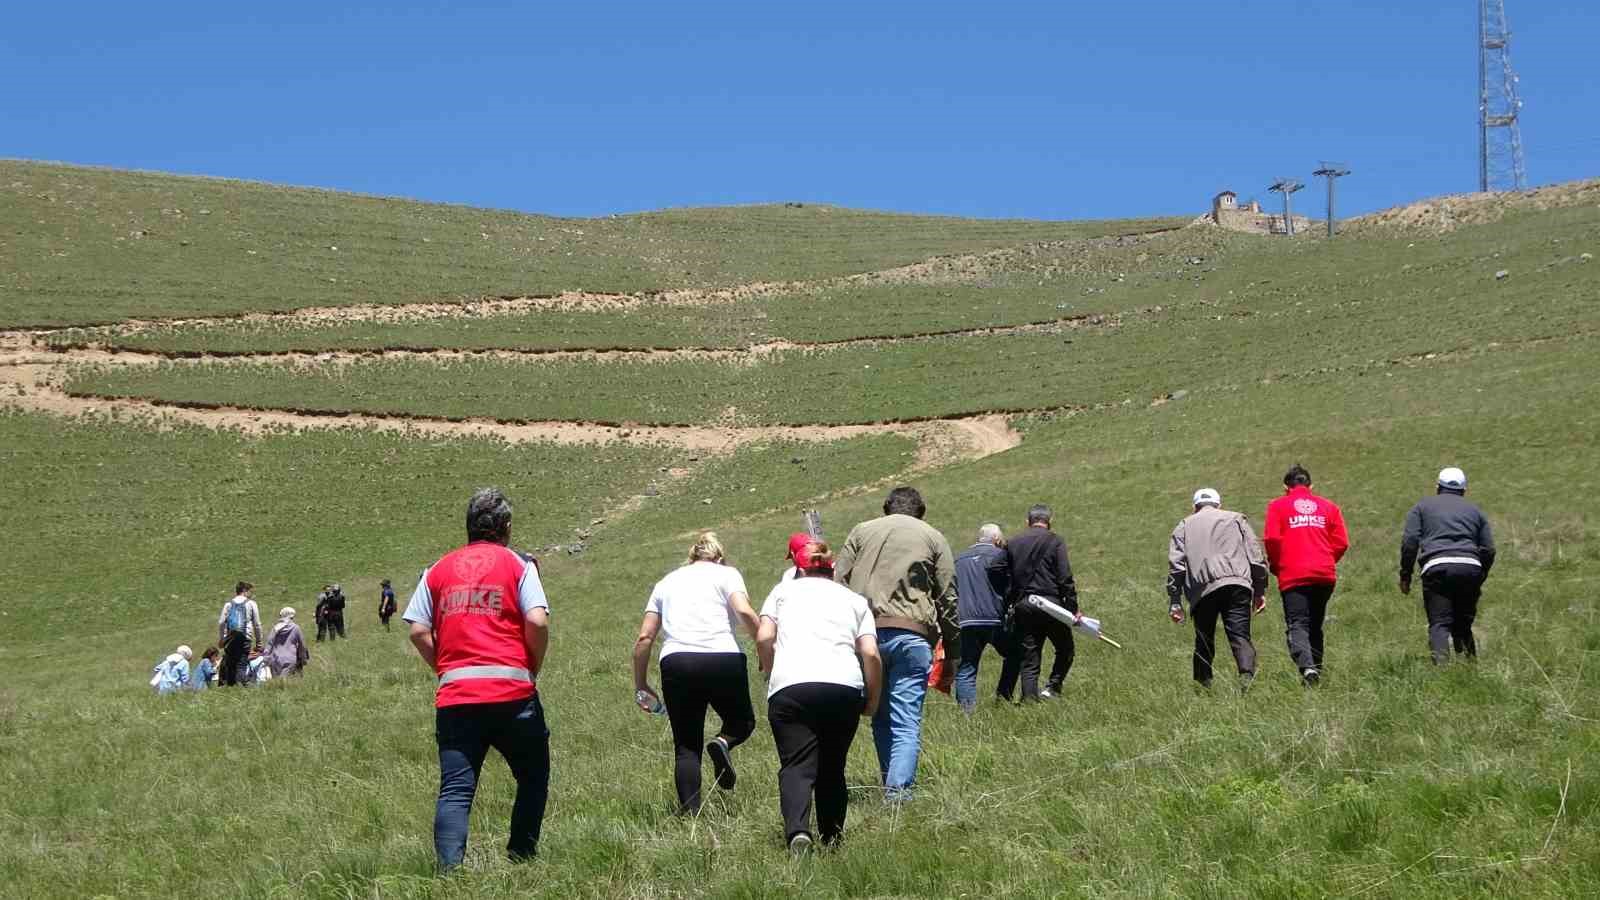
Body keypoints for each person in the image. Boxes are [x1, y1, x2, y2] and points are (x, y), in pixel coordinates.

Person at [404, 487, 551, 869]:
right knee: (532, 776)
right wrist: (531, 666)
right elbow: (536, 619)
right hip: (513, 693)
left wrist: (446, 668)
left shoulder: (436, 569)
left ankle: (449, 873)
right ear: (506, 526)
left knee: (455, 790)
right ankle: (521, 855)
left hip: (457, 697)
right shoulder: (519, 565)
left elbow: (418, 630)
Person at [834, 486, 959, 801]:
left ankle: (890, 783)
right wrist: (953, 649)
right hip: (911, 635)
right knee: (905, 720)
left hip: (865, 637)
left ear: (886, 508)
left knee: (878, 714)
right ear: (921, 511)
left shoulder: (861, 531)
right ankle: (898, 794)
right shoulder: (933, 537)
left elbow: (837, 579)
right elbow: (948, 597)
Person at [757, 540, 882, 853]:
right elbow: (870, 652)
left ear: (799, 567)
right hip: (843, 686)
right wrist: (873, 698)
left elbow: (764, 635)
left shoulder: (782, 592)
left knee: (796, 765)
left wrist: (770, 671)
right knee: (832, 767)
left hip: (791, 685)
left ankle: (798, 832)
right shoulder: (854, 600)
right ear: (833, 568)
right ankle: (833, 839)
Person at [631, 531, 760, 814]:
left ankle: (690, 816)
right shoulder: (727, 574)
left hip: (678, 662)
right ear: (719, 556)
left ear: (691, 556)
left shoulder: (666, 582)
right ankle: (723, 742)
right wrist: (765, 649)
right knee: (742, 722)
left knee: (686, 746)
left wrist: (641, 684)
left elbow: (645, 637)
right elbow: (745, 612)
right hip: (723, 657)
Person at [1167, 489, 1269, 688]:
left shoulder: (1184, 526)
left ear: (1194, 507)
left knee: (1204, 639)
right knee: (1239, 634)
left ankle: (1203, 685)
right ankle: (1246, 675)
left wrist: (1174, 601)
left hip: (1201, 589)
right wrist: (1259, 589)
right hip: (1237, 584)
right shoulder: (1237, 519)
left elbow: (1176, 566)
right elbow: (1255, 555)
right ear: (1219, 504)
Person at [1264, 464, 1349, 685]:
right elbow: (1342, 542)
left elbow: (1272, 539)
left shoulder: (1277, 506)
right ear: (1311, 486)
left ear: (1286, 487)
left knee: (1298, 624)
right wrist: (1328, 560)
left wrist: (1276, 564)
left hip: (1293, 575)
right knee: (1315, 625)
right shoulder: (1330, 507)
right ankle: (1316, 671)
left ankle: (1308, 668)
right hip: (1324, 575)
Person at [1400, 467, 1496, 663]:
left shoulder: (1421, 507)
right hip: (1471, 567)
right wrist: (1480, 576)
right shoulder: (1475, 511)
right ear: (1464, 490)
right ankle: (1470, 668)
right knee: (1463, 624)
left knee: (1439, 624)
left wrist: (1405, 575)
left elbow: (1410, 542)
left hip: (1437, 567)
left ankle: (1442, 673)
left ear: (1437, 487)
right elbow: (1488, 549)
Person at [991, 504, 1080, 702]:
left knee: (1030, 656)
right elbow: (1065, 577)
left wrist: (1008, 592)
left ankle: (1029, 699)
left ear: (1027, 522)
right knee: (1065, 649)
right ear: (1050, 521)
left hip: (1024, 605)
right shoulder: (1055, 541)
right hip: (1051, 605)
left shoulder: (1013, 542)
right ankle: (1053, 687)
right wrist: (1072, 608)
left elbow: (994, 567)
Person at [952, 523, 1019, 711]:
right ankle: (1003, 697)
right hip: (994, 618)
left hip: (965, 620)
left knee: (966, 668)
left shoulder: (958, 559)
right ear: (997, 540)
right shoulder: (1000, 556)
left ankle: (967, 713)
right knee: (1015, 654)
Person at [217, 582, 262, 687]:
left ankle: (230, 687)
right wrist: (259, 642)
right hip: (245, 637)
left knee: (231, 663)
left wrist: (222, 638)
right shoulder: (251, 604)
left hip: (230, 639)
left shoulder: (228, 604)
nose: (251, 594)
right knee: (242, 663)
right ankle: (241, 687)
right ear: (245, 591)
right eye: (250, 592)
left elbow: (221, 622)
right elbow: (257, 624)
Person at [265, 606, 311, 677]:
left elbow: (269, 643)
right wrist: (303, 659)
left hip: (275, 659)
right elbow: (302, 645)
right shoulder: (296, 628)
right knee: (285, 682)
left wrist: (266, 658)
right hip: (290, 659)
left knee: (276, 682)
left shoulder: (275, 628)